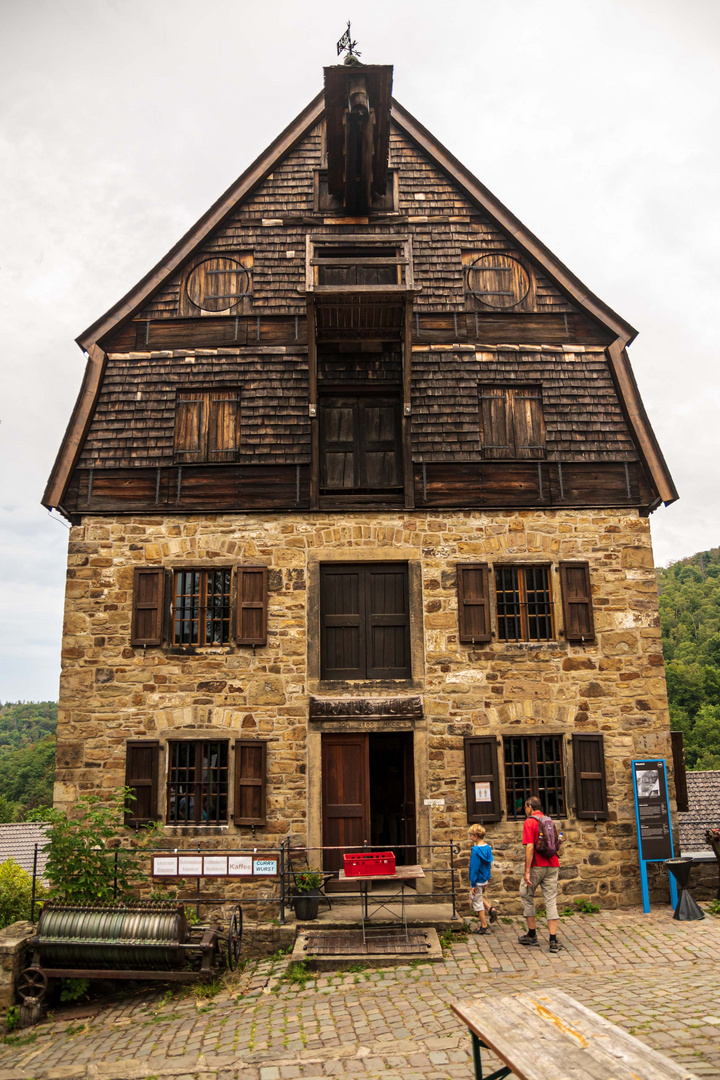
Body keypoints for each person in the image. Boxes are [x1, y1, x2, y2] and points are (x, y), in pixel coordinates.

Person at [518, 796, 563, 953]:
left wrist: (527, 871)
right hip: (553, 864)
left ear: (530, 806)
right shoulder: (549, 820)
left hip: (537, 865)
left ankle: (532, 934)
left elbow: (530, 848)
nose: (525, 810)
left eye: (525, 807)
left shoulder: (529, 822)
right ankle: (553, 940)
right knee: (550, 901)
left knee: (526, 894)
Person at [468, 823, 497, 934]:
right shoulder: (487, 848)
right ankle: (490, 909)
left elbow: (474, 868)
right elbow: (488, 865)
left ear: (475, 836)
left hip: (477, 879)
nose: (470, 837)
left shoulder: (475, 850)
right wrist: (487, 878)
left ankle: (484, 926)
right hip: (484, 878)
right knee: (478, 896)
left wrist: (472, 883)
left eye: (470, 835)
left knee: (477, 901)